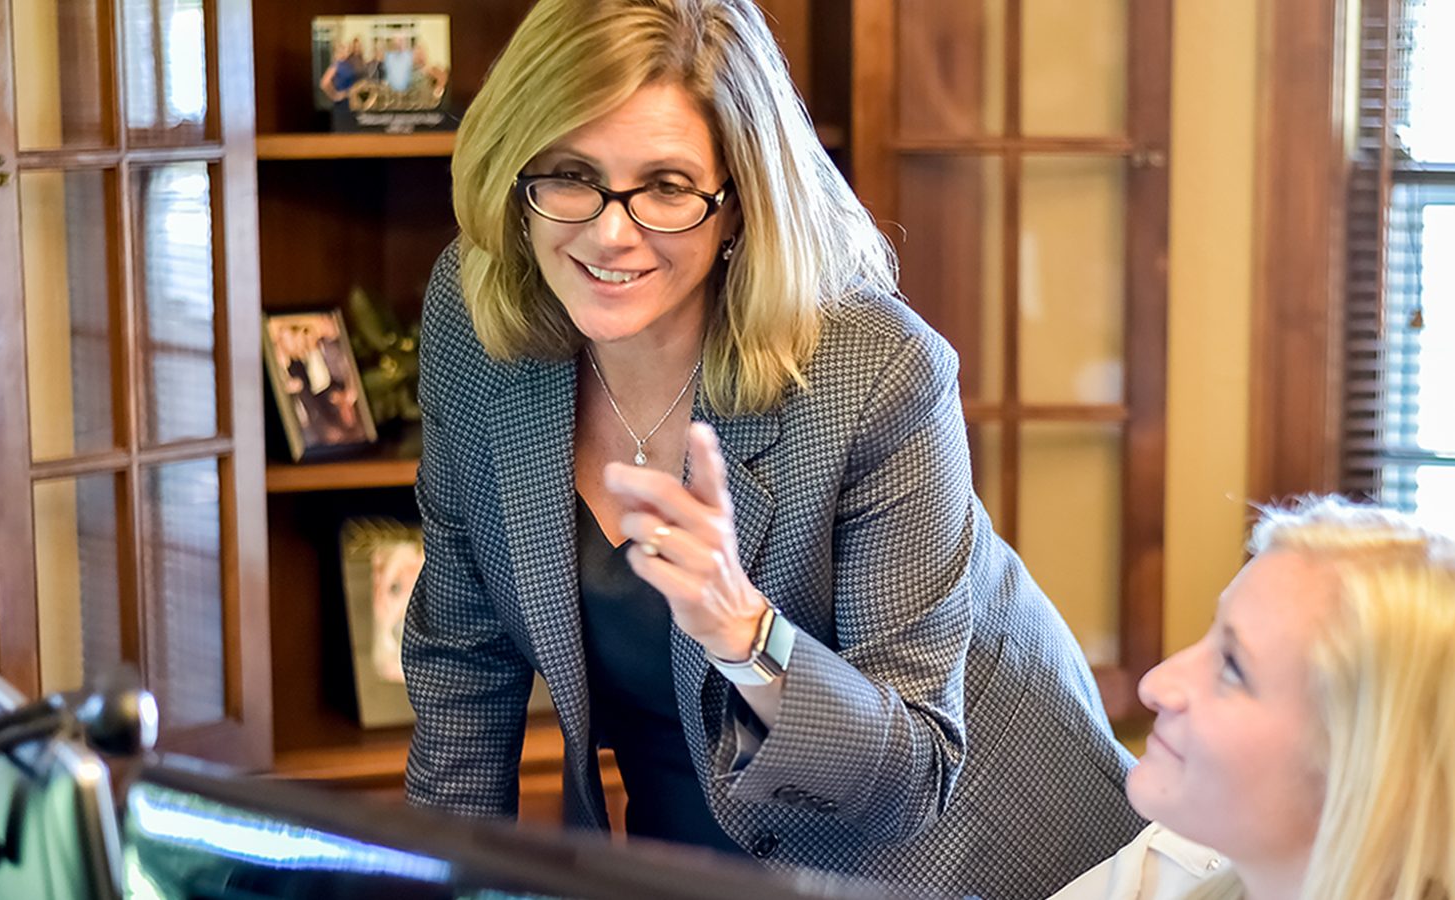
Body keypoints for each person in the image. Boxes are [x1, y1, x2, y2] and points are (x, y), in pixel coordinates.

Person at [401, 1, 1144, 897]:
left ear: (741, 205)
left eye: (668, 187)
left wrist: (743, 632)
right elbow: (462, 657)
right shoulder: (472, 318)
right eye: (570, 174)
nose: (609, 230)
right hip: (681, 829)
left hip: (954, 848)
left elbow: (913, 769)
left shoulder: (878, 372)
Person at [1050, 496, 1455, 900]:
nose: (1156, 684)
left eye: (1232, 667)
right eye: (1210, 635)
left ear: (1373, 776)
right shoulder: (1164, 864)